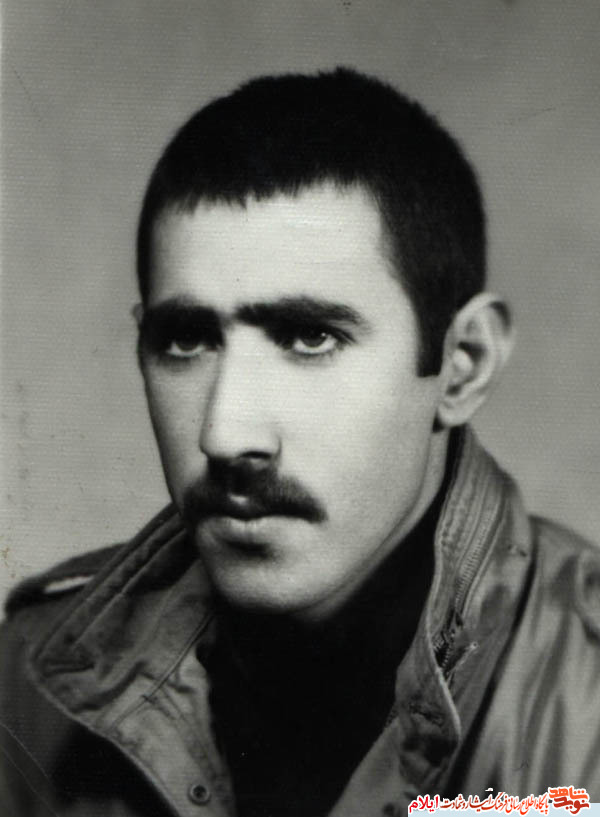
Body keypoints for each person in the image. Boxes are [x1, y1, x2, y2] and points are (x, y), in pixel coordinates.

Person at [1, 67, 599, 817]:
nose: (225, 434)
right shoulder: (27, 683)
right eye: (185, 340)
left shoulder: (584, 702)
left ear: (462, 364)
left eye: (309, 336)